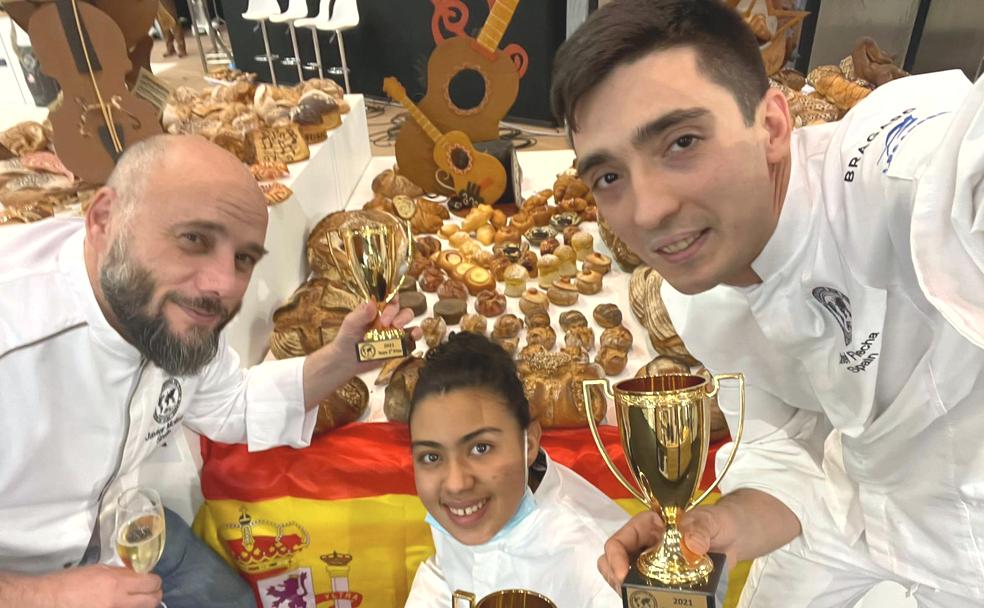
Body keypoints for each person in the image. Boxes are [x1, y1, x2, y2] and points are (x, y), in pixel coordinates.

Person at [550, 0, 984, 606]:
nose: (646, 212)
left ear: (774, 127)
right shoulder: (698, 297)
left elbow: (957, 170)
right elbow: (786, 442)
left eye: (682, 141)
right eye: (609, 177)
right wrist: (711, 527)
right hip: (853, 507)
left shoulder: (891, 178)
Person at [0, 134, 416, 608]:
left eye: (242, 258)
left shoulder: (164, 308)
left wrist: (342, 360)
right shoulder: (13, 328)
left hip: (122, 531)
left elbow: (230, 401)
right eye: (194, 239)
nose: (221, 285)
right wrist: (44, 596)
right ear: (102, 219)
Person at [403, 332, 627, 607]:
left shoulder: (593, 566)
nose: (456, 484)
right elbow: (445, 572)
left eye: (480, 448)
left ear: (529, 443)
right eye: (431, 456)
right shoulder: (468, 509)